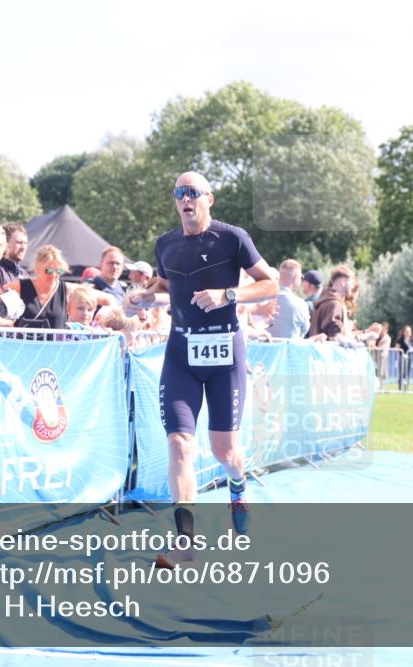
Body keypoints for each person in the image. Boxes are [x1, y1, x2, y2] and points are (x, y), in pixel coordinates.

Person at [127, 171, 277, 554]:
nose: (185, 198)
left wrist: (227, 294)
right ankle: (185, 539)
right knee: (179, 444)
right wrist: (145, 297)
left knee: (224, 452)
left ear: (209, 199)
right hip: (181, 353)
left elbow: (271, 283)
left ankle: (238, 489)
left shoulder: (232, 238)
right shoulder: (166, 244)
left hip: (224, 352)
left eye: (193, 192)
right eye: (179, 192)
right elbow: (165, 288)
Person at [8, 245, 74, 330]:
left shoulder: (68, 289)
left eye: (58, 271)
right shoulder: (20, 286)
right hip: (24, 342)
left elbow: (93, 297)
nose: (54, 275)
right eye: (48, 270)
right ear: (37, 269)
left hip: (56, 343)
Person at [308, 265, 358, 342]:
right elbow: (334, 336)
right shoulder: (334, 304)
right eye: (351, 282)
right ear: (343, 282)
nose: (352, 286)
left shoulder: (327, 300)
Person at [268, 259, 310, 339]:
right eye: (301, 277)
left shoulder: (264, 299)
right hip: (289, 349)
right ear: (295, 278)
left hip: (264, 349)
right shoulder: (300, 304)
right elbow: (304, 329)